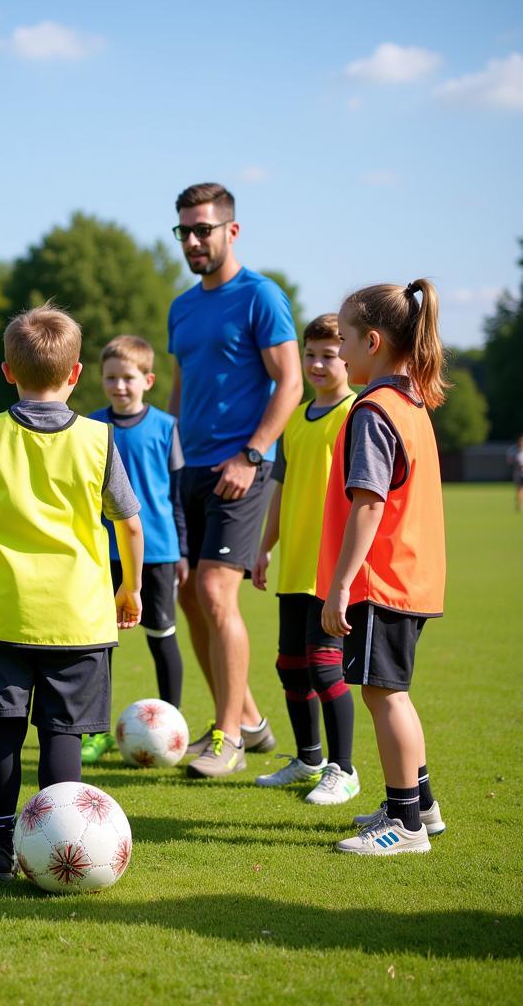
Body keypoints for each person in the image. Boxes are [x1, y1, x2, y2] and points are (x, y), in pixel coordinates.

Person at [0, 304, 144, 882]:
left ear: (8, 371)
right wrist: (131, 587)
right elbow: (129, 523)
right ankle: (56, 851)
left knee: (2, 731)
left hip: (7, 615)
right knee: (61, 733)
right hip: (79, 617)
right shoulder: (100, 440)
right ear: (76, 374)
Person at [167, 183, 303, 778]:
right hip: (189, 469)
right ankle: (246, 718)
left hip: (241, 468)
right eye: (185, 232)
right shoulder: (182, 306)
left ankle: (229, 739)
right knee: (188, 594)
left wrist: (251, 455)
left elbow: (291, 382)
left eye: (204, 230)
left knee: (218, 593)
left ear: (232, 230)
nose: (194, 241)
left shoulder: (261, 296)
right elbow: (179, 389)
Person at [319, 279, 448, 855]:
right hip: (410, 575)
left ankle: (406, 827)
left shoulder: (374, 410)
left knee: (382, 694)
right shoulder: (412, 399)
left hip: (380, 578)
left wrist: (341, 585)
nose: (339, 352)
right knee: (391, 691)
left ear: (372, 341)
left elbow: (369, 503)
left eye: (344, 339)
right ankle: (419, 804)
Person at [252, 314, 359, 804]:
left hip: (333, 567)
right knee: (289, 665)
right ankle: (308, 758)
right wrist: (264, 545)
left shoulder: (357, 414)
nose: (317, 363)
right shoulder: (294, 418)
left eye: (329, 355)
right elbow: (280, 489)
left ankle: (344, 769)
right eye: (310, 354)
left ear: (348, 358)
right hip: (294, 564)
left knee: (324, 666)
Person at [82, 336, 188, 764]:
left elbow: (176, 496)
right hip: (100, 552)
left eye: (128, 378)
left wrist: (181, 550)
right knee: (97, 644)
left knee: (161, 636)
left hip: (157, 551)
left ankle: (173, 727)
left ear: (147, 380)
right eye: (111, 377)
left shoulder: (166, 427)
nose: (119, 386)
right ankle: (95, 732)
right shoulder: (90, 427)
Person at [509, 436, 523, 512]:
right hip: (518, 474)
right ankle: (519, 505)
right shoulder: (515, 452)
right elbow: (510, 461)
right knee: (519, 489)